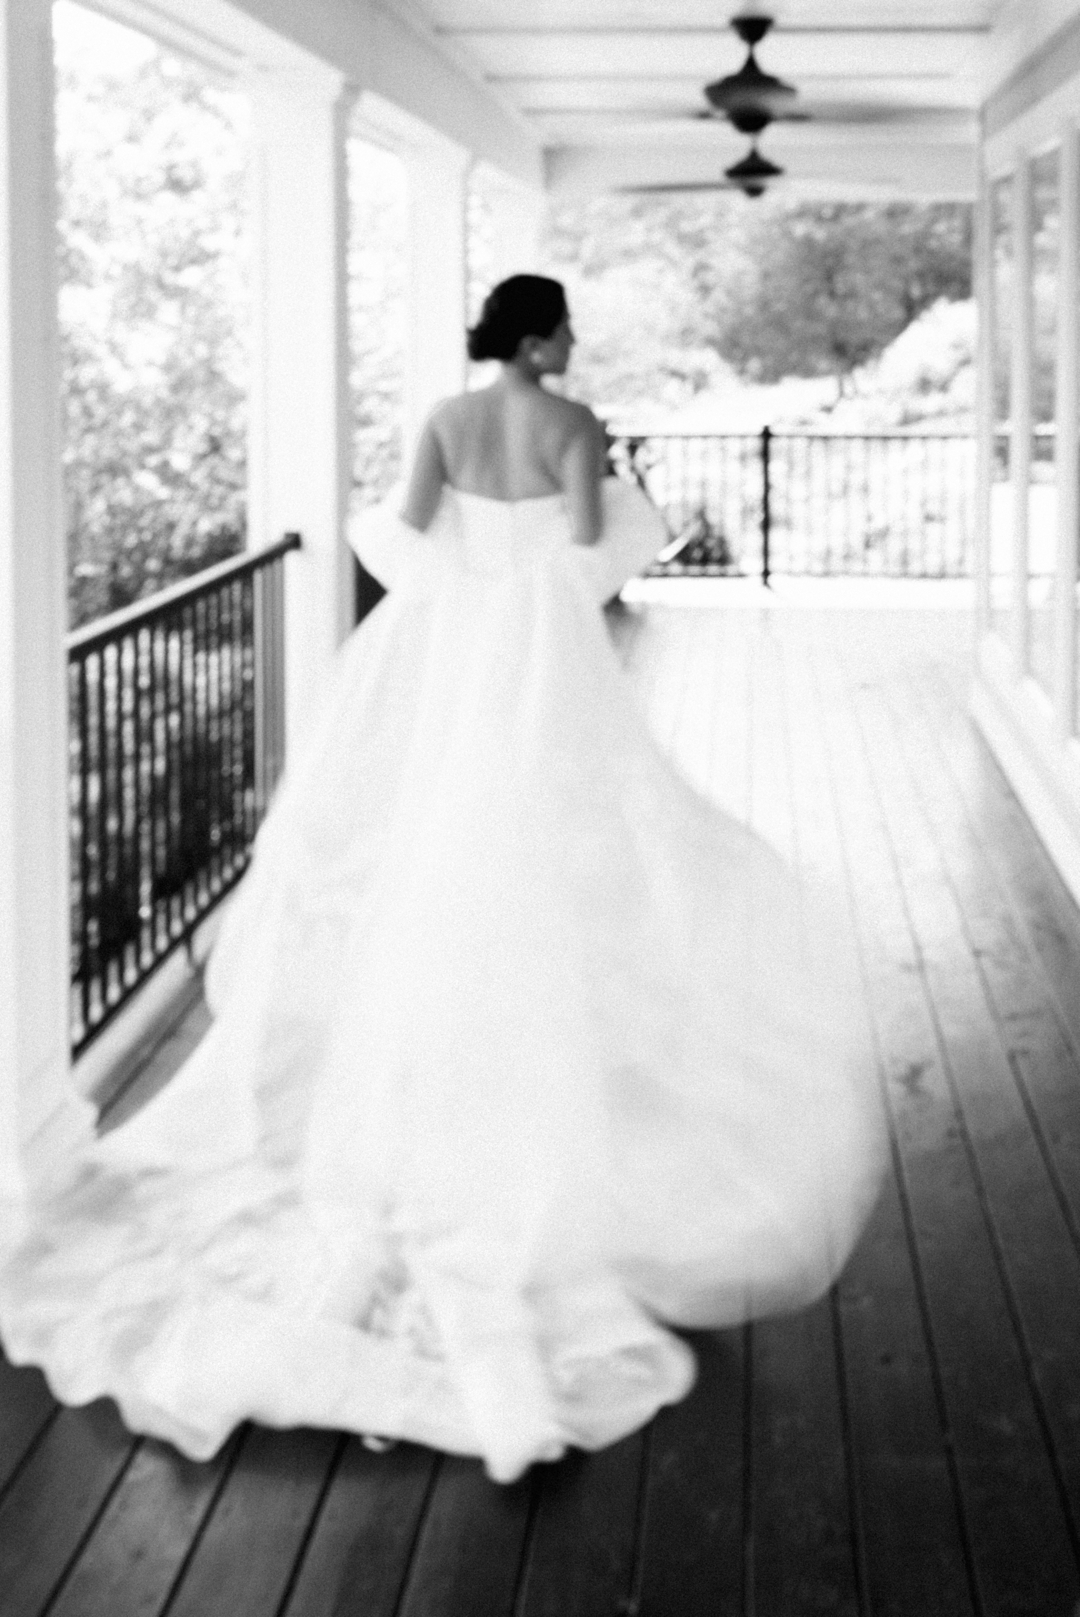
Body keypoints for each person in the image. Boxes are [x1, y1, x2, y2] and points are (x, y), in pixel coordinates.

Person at [0, 275, 883, 1485]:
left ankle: (430, 1088)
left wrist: (472, 584)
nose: (572, 343)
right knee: (567, 848)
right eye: (564, 325)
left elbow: (406, 539)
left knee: (424, 851)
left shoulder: (444, 422)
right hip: (539, 661)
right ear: (538, 338)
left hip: (446, 653)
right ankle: (535, 1085)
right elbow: (586, 554)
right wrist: (604, 520)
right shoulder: (573, 426)